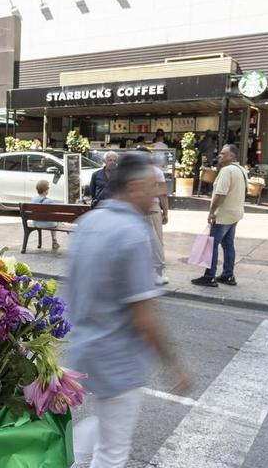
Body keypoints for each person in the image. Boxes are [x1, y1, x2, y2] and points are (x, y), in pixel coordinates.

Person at [67, 152, 190, 468]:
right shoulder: (132, 232)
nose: (158, 193)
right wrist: (173, 363)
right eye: (154, 186)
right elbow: (144, 314)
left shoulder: (88, 222)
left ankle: (63, 460)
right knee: (113, 451)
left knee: (106, 423)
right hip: (117, 359)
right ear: (135, 187)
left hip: (86, 350)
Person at [192, 144, 246, 288]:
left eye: (223, 153)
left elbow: (220, 194)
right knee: (228, 245)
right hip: (235, 213)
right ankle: (228, 275)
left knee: (212, 245)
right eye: (220, 153)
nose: (220, 155)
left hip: (223, 214)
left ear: (232, 156)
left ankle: (210, 276)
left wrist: (212, 211)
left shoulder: (227, 171)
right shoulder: (241, 170)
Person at [137, 146, 170, 285]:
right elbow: (162, 194)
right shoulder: (156, 172)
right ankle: (158, 274)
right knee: (156, 241)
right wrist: (166, 212)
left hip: (135, 209)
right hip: (151, 208)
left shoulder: (131, 172)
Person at [30, 179, 60, 251]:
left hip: (36, 223)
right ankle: (54, 241)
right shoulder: (49, 201)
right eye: (48, 188)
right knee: (55, 221)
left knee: (52, 220)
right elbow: (54, 214)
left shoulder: (33, 199)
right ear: (45, 190)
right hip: (48, 224)